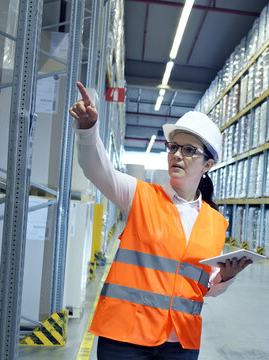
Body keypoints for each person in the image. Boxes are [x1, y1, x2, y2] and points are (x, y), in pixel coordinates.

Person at [69, 82, 252, 359]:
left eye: (189, 150)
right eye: (174, 147)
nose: (177, 154)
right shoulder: (139, 196)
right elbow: (96, 168)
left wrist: (224, 278)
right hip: (125, 338)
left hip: (180, 342)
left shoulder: (215, 222)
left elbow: (203, 285)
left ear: (207, 165)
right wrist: (88, 131)